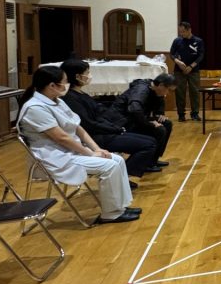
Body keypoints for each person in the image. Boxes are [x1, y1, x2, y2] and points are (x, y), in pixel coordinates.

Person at [17, 66, 139, 224]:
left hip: (71, 151)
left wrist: (96, 149)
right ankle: (111, 214)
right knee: (109, 166)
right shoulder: (35, 108)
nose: (67, 85)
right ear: (52, 86)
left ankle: (120, 206)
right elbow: (61, 138)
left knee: (117, 160)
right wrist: (89, 154)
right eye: (65, 82)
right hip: (53, 158)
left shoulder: (57, 101)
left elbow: (78, 127)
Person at [60, 59, 159, 184]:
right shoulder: (71, 98)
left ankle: (122, 176)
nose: (89, 76)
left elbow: (99, 116)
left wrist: (115, 127)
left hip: (105, 131)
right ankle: (121, 179)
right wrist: (114, 129)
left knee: (151, 140)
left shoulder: (81, 94)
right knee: (148, 145)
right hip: (97, 137)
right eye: (87, 72)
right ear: (78, 76)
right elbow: (88, 124)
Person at [113, 73, 175, 166]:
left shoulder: (154, 88)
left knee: (166, 123)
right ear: (161, 85)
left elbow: (160, 99)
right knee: (159, 129)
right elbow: (134, 110)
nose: (168, 93)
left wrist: (160, 113)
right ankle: (145, 162)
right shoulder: (141, 90)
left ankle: (153, 159)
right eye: (168, 90)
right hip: (123, 122)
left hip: (135, 118)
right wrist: (149, 123)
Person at [169, 20, 204, 122]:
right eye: (180, 32)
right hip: (179, 71)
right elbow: (171, 54)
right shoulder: (177, 41)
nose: (181, 34)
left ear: (189, 30)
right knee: (180, 93)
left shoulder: (198, 41)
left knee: (195, 92)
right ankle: (181, 114)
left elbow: (201, 55)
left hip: (194, 71)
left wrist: (191, 66)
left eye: (183, 31)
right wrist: (178, 62)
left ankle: (195, 114)